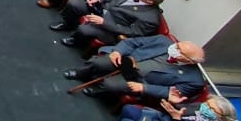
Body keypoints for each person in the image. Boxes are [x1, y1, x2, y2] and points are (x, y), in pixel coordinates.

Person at [64, 36, 206, 103]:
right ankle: (80, 72)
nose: (175, 48)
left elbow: (169, 92)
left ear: (189, 60)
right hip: (127, 60)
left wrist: (143, 88)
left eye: (180, 50)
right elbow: (133, 42)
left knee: (110, 84)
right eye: (178, 45)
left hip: (139, 80)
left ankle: (99, 91)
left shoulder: (194, 80)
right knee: (101, 62)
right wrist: (118, 51)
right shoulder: (164, 41)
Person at [53, 0, 165, 49]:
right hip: (103, 7)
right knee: (73, 3)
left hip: (111, 26)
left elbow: (131, 32)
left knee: (83, 29)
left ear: (150, 1)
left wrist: (103, 22)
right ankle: (68, 24)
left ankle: (75, 40)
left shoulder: (151, 19)